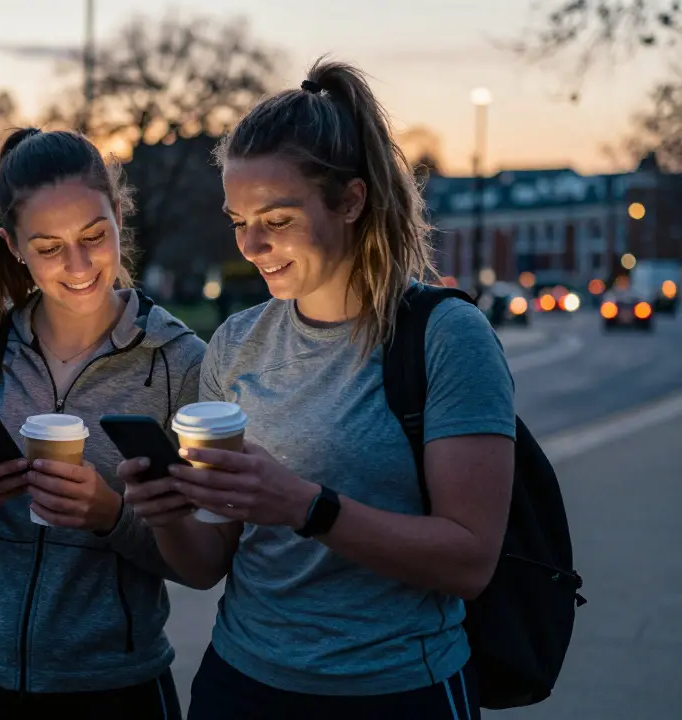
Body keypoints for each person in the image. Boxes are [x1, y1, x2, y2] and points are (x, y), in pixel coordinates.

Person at [120, 59, 515, 720]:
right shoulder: (237, 344)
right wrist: (164, 510)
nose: (250, 244)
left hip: (395, 692)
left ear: (351, 201)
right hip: (241, 685)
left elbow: (470, 561)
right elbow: (207, 563)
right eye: (237, 219)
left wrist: (307, 506)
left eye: (275, 218)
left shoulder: (445, 337)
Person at [0, 127, 208, 719]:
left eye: (95, 236)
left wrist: (112, 517)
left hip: (114, 689)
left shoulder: (180, 363)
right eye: (48, 247)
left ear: (119, 215)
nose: (78, 265)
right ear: (12, 245)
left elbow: (201, 564)